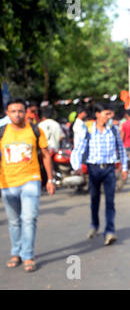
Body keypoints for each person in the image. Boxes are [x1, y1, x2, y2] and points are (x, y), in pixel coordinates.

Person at [0, 98, 55, 272]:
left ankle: (28, 255)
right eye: (13, 111)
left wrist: (50, 179)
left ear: (26, 112)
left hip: (31, 180)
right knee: (14, 221)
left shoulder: (35, 130)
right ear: (7, 114)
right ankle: (16, 252)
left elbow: (45, 155)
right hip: (7, 182)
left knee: (29, 218)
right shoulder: (2, 132)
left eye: (20, 111)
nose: (17, 114)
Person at [70, 102, 128, 246]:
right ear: (98, 114)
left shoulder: (113, 130)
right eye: (107, 114)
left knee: (110, 201)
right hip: (93, 169)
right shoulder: (88, 131)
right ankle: (94, 225)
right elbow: (78, 149)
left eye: (110, 114)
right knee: (94, 199)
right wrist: (77, 166)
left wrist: (125, 167)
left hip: (109, 169)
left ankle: (110, 230)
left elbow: (121, 149)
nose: (110, 117)